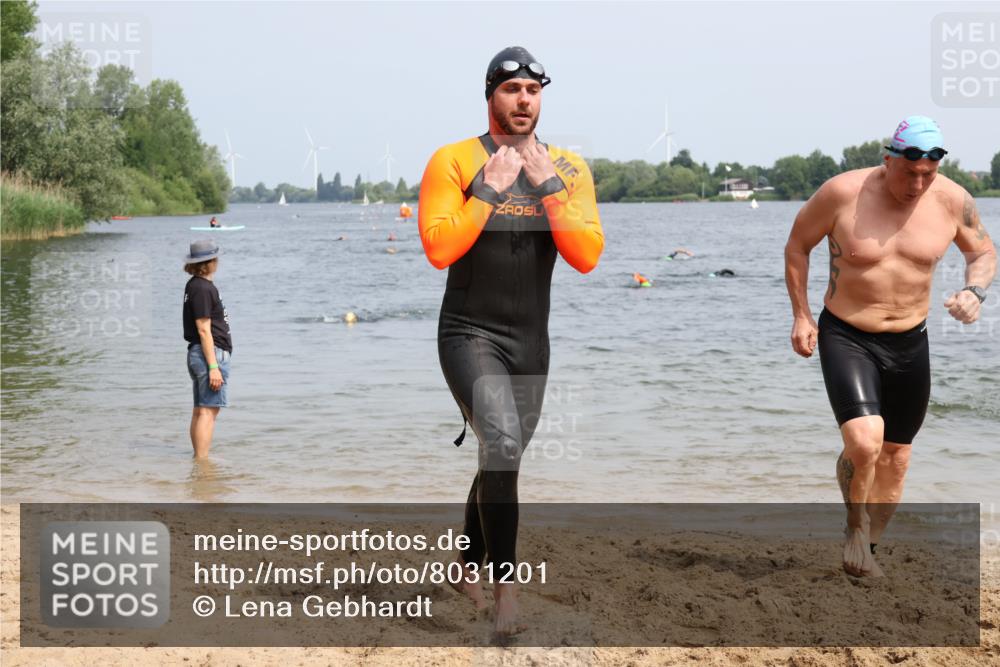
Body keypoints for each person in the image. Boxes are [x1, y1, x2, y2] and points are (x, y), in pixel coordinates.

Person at [418, 46, 604, 634]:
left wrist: (548, 187)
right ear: (490, 95)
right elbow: (439, 248)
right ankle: (506, 595)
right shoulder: (453, 160)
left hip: (530, 343)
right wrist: (488, 192)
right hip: (469, 332)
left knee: (503, 454)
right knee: (500, 442)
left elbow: (587, 257)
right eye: (511, 89)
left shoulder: (568, 168)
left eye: (533, 90)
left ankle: (465, 566)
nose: (524, 100)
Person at [784, 116, 995, 577]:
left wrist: (974, 292)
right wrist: (801, 314)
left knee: (896, 458)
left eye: (928, 174)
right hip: (847, 334)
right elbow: (798, 246)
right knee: (865, 443)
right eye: (909, 172)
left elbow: (982, 252)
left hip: (910, 341)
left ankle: (868, 554)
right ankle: (854, 527)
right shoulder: (842, 193)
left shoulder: (952, 200)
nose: (917, 185)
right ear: (888, 160)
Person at [182, 239, 233, 458]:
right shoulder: (203, 288)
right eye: (215, 258)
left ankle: (198, 461)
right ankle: (202, 463)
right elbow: (203, 329)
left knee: (200, 410)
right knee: (208, 412)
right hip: (208, 355)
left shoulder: (195, 285)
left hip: (200, 354)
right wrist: (213, 366)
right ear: (210, 262)